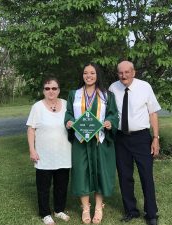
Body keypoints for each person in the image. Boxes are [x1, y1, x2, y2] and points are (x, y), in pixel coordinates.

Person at [65, 62, 118, 224]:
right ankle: (86, 208)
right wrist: (68, 121)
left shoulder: (107, 95)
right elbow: (68, 113)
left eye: (92, 73)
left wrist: (109, 122)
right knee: (81, 173)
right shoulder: (74, 94)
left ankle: (99, 208)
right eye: (86, 73)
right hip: (81, 141)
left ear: (97, 75)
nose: (89, 76)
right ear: (82, 75)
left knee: (101, 172)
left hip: (99, 140)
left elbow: (113, 114)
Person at [109, 61, 161, 225]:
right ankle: (131, 210)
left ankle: (151, 214)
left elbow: (152, 114)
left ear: (134, 72)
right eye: (120, 73)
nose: (123, 76)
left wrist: (155, 138)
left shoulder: (145, 87)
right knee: (125, 176)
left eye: (127, 72)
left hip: (141, 138)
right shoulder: (113, 88)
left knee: (146, 175)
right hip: (120, 138)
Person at [26, 77, 72, 225]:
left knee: (62, 185)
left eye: (54, 88)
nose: (50, 91)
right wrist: (32, 150)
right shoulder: (37, 107)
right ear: (43, 90)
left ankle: (59, 210)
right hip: (44, 155)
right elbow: (31, 130)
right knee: (43, 186)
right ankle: (45, 213)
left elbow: (74, 124)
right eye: (47, 88)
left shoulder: (66, 104)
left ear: (58, 90)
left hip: (64, 153)